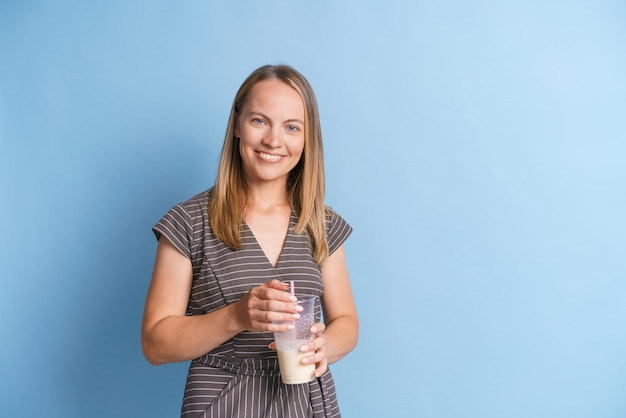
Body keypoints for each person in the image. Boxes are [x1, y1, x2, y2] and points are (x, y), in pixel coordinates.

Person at [141, 64, 358, 418]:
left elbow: (347, 321)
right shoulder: (188, 222)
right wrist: (237, 315)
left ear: (306, 139)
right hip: (221, 403)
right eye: (260, 121)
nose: (274, 140)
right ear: (238, 126)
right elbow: (154, 344)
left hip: (306, 403)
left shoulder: (322, 223)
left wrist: (324, 346)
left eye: (292, 127)